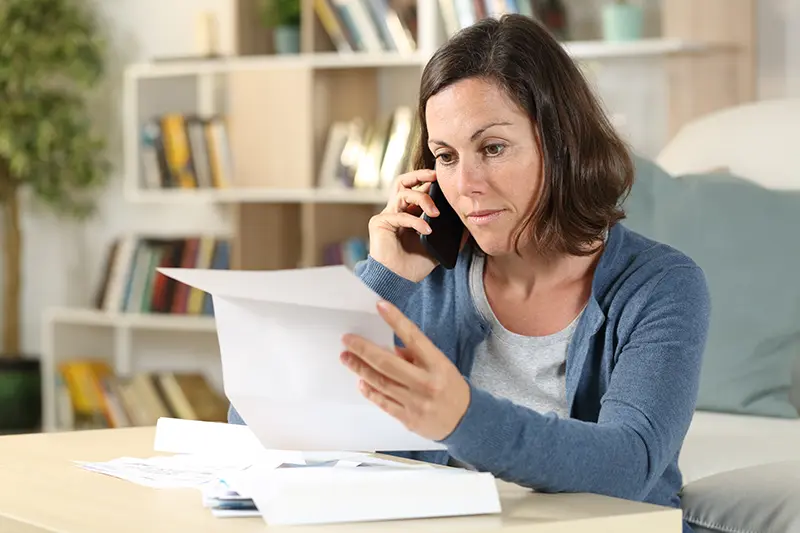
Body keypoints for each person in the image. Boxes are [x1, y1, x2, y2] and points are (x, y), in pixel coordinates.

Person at [229, 13, 710, 531]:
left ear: (562, 144)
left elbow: (629, 462)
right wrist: (383, 279)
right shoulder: (420, 274)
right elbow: (264, 422)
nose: (466, 184)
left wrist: (462, 417)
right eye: (446, 156)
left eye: (493, 148)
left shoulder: (660, 285)